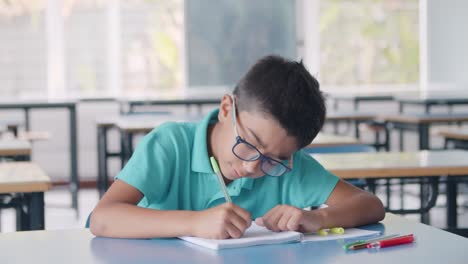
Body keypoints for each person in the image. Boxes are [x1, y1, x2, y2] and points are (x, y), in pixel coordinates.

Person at [90, 55, 385, 239]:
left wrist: (317, 218)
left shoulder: (288, 167)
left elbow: (370, 205)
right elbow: (103, 219)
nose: (252, 167)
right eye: (249, 143)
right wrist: (195, 223)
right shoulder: (170, 144)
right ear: (226, 108)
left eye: (274, 159)